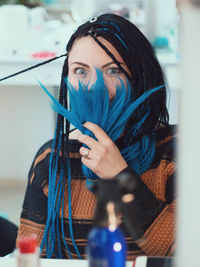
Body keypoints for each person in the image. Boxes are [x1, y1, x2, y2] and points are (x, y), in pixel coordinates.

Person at [16, 14, 176, 260]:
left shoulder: (176, 149)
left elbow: (185, 250)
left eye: (112, 70)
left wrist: (120, 176)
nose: (94, 86)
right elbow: (31, 257)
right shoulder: (51, 158)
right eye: (80, 70)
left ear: (140, 76)